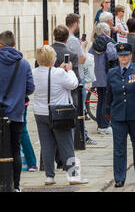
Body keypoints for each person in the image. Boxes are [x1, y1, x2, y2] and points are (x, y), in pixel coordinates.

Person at [32, 45, 88, 186]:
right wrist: (69, 71)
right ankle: (73, 177)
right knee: (66, 144)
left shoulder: (34, 73)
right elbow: (74, 84)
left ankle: (49, 176)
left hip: (40, 113)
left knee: (46, 145)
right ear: (52, 59)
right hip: (59, 113)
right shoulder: (59, 73)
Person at [104, 43, 135, 188]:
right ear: (117, 57)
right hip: (119, 115)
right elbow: (108, 94)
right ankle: (119, 177)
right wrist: (107, 112)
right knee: (119, 148)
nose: (123, 58)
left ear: (130, 55)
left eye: (126, 55)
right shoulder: (112, 73)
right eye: (121, 55)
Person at [0, 31, 35, 192]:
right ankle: (16, 185)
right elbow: (30, 88)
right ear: (15, 44)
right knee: (15, 149)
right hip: (16, 114)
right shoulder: (24, 63)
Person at [65, 14, 97, 145]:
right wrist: (83, 46)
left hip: (69, 76)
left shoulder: (66, 37)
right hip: (77, 76)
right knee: (80, 107)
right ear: (76, 24)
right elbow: (81, 58)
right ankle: (83, 136)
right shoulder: (72, 39)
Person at [89, 22, 118, 134]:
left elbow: (90, 55)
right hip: (107, 76)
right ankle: (104, 125)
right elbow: (113, 56)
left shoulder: (94, 43)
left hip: (97, 76)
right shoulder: (109, 42)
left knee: (100, 100)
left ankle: (100, 124)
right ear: (107, 31)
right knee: (106, 101)